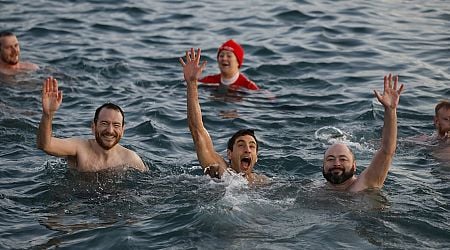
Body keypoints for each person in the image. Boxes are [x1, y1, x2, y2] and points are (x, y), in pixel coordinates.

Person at [179, 48, 267, 184]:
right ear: (229, 154)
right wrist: (191, 84)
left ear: (256, 157)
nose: (248, 150)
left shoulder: (261, 181)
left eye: (252, 146)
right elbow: (197, 131)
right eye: (241, 145)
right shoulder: (223, 171)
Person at [37, 76, 147, 172]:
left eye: (116, 125)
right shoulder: (79, 148)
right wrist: (48, 115)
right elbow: (45, 145)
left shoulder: (131, 159)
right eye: (104, 123)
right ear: (93, 127)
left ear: (123, 131)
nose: (110, 130)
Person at [322, 74, 404, 192]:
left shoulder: (365, 184)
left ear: (354, 166)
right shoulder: (313, 190)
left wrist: (390, 110)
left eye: (343, 159)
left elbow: (387, 151)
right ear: (323, 166)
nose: (336, 163)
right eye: (330, 159)